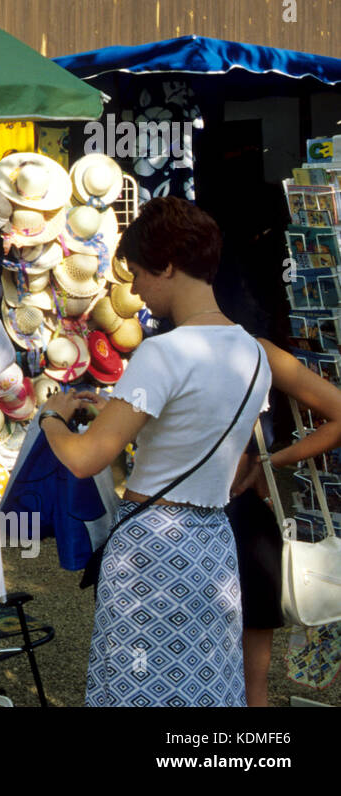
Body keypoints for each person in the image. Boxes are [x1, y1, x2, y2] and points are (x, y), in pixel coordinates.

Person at [37, 197, 271, 707]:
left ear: (166, 265)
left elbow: (84, 458)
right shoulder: (253, 353)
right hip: (212, 543)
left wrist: (51, 415)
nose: (137, 288)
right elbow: (205, 430)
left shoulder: (162, 350)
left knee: (135, 683)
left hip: (151, 551)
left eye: (139, 273)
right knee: (204, 685)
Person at [224, 342, 341, 706]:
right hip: (242, 518)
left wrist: (271, 461)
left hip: (234, 519)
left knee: (244, 678)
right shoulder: (252, 345)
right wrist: (271, 461)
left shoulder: (248, 345)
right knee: (250, 681)